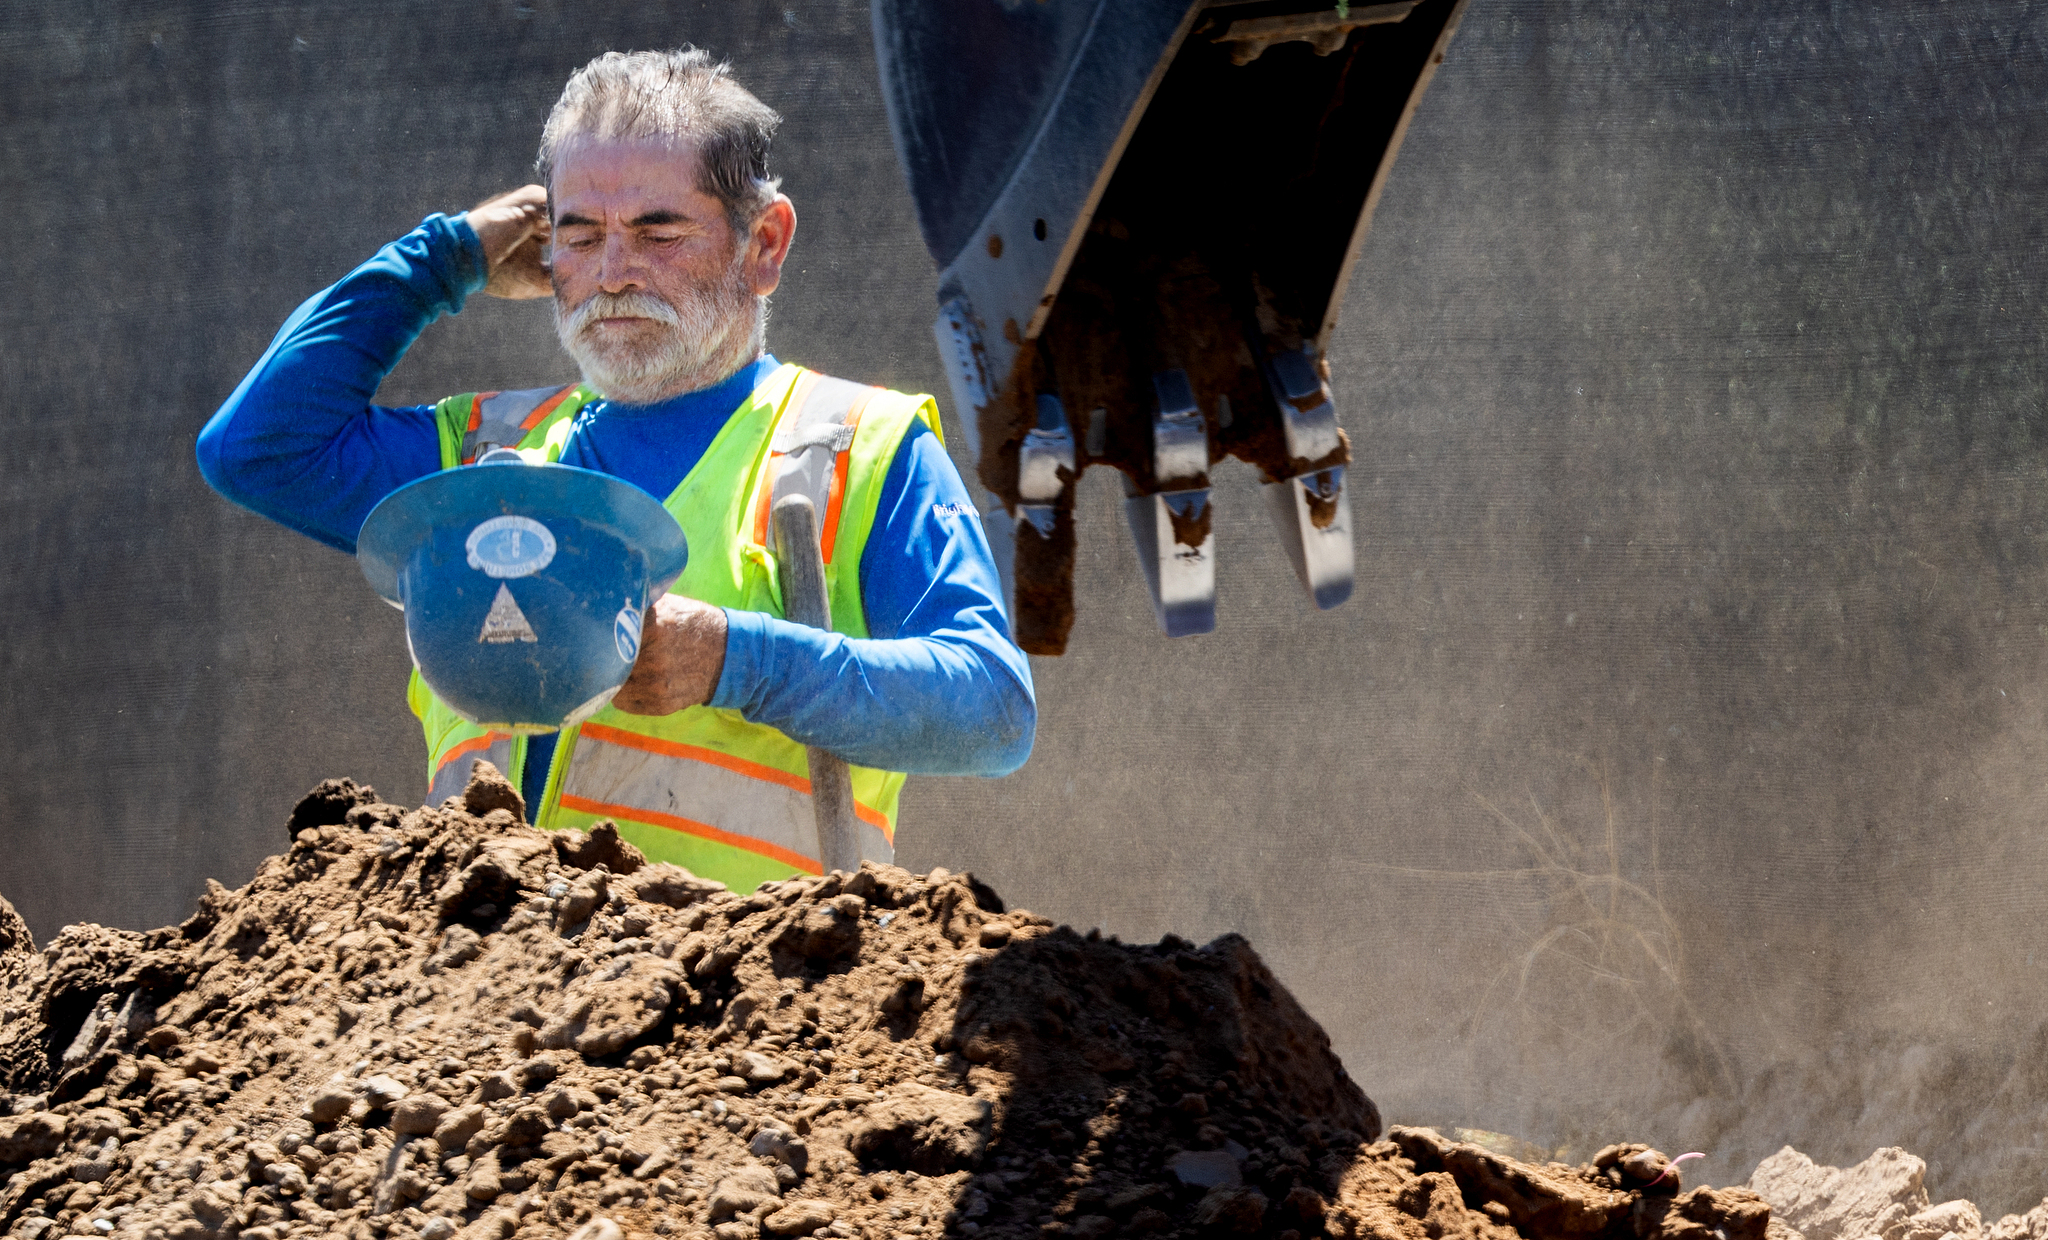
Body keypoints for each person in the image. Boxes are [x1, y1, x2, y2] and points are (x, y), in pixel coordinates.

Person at [197, 49, 1035, 891]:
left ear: (765, 244)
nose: (612, 272)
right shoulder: (485, 459)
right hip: (475, 1005)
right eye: (580, 234)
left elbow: (992, 711)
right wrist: (445, 259)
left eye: (659, 231)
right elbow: (256, 447)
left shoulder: (856, 448)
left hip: (737, 1006)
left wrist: (732, 661)